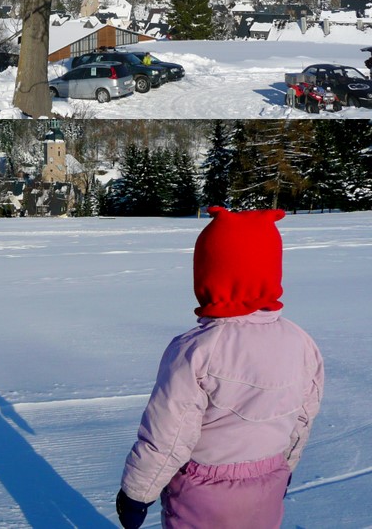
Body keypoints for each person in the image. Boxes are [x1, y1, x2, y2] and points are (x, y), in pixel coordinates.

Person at [116, 207, 323, 529]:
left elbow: (169, 435)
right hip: (268, 483)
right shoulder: (301, 342)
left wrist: (137, 494)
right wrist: (287, 466)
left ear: (209, 276)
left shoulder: (197, 349)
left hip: (204, 491)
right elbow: (302, 418)